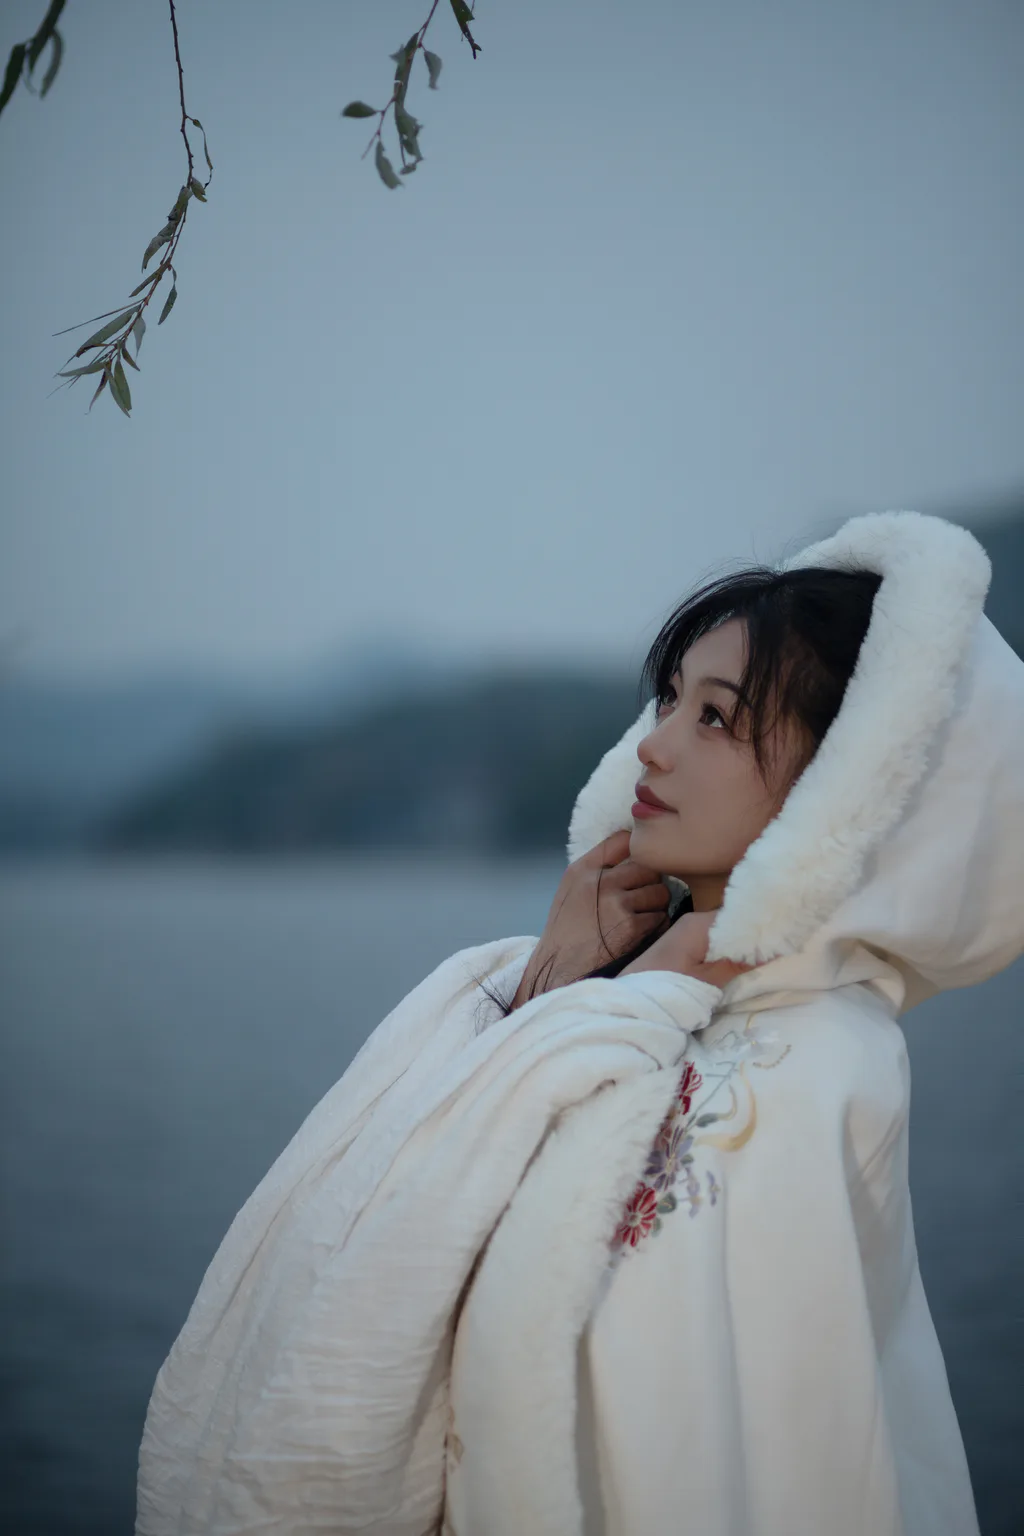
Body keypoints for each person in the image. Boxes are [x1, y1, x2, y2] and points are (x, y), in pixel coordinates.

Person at [136, 509, 1024, 1536]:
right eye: (669, 699)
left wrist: (602, 1003)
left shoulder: (811, 1065)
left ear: (853, 782)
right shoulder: (632, 994)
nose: (652, 745)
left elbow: (745, 1460)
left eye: (716, 719)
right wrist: (564, 987)